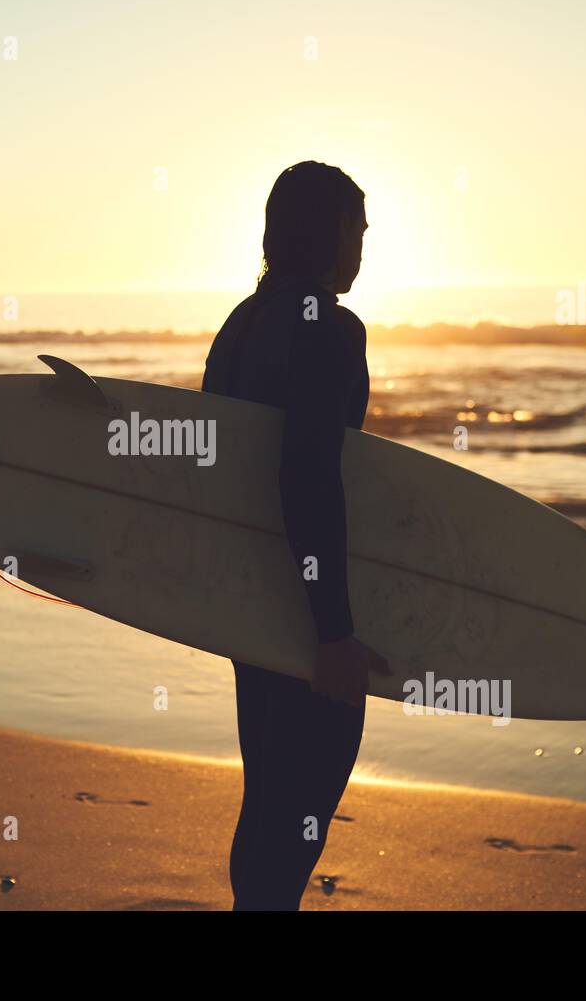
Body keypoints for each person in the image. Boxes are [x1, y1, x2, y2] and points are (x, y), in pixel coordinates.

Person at [202, 161, 391, 910]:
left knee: (269, 802)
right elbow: (308, 474)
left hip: (250, 602)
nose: (364, 246)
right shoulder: (333, 329)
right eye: (359, 229)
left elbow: (224, 477)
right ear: (330, 231)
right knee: (297, 818)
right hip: (304, 608)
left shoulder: (241, 325)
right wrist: (334, 634)